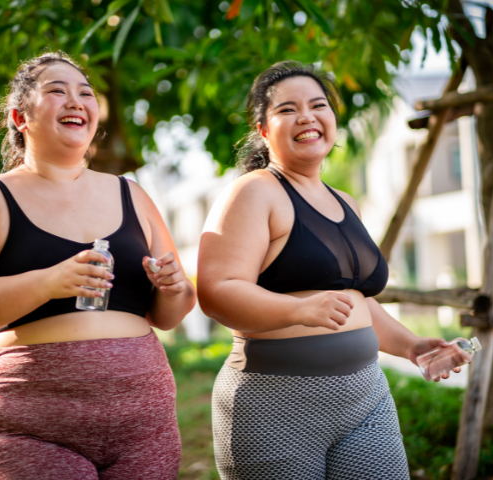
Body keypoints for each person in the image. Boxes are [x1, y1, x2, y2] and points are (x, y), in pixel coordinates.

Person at [0, 51, 195, 480]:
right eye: (57, 91)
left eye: (85, 93)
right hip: (31, 424)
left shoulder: (133, 195)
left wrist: (175, 287)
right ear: (20, 117)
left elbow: (170, 314)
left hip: (144, 424)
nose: (76, 101)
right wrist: (49, 282)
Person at [197, 60, 461, 480]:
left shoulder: (346, 202)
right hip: (274, 406)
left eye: (318, 105)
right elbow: (216, 290)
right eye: (287, 109)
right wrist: (296, 311)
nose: (306, 115)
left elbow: (355, 302)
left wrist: (413, 346)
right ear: (263, 131)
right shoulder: (254, 192)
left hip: (365, 400)